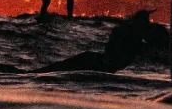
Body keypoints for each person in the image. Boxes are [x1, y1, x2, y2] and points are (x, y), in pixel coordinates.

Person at [35, 10, 165, 73]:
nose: (148, 25)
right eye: (146, 23)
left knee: (55, 68)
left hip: (96, 60)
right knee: (55, 69)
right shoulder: (130, 36)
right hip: (97, 62)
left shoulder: (129, 34)